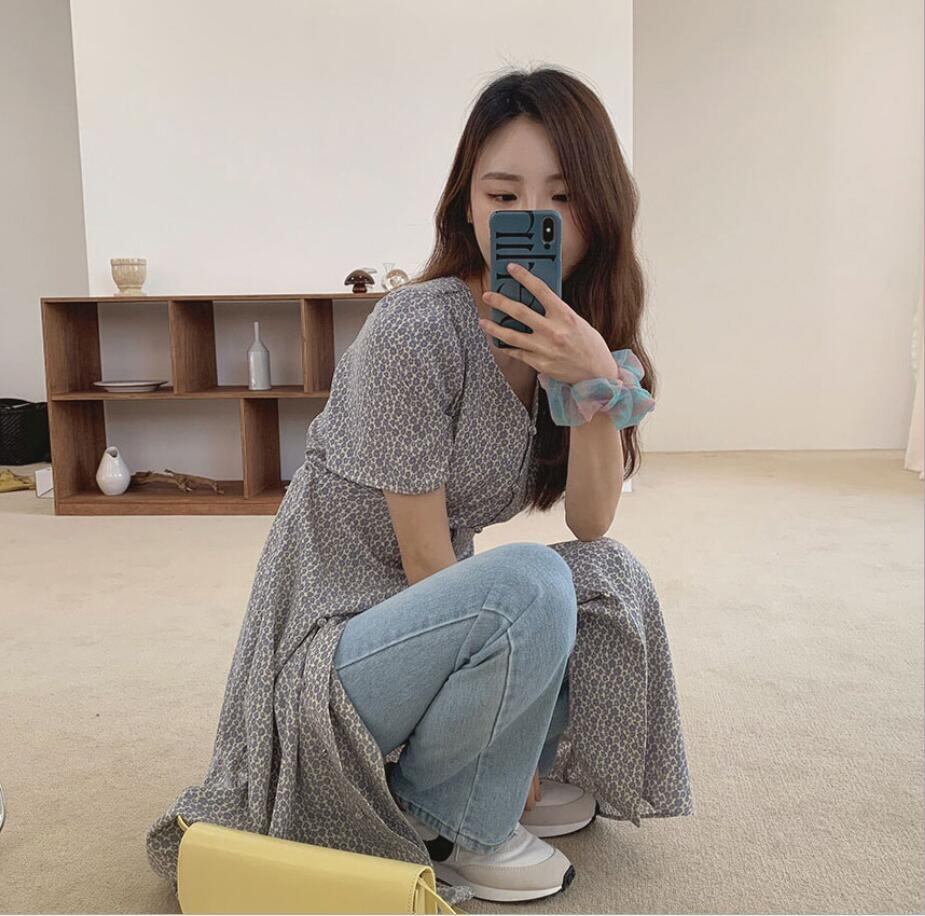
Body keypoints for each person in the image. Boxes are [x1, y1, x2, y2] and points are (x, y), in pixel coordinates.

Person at [145, 64, 694, 909]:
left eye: (560, 197)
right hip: (332, 647)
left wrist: (590, 381)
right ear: (465, 207)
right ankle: (452, 820)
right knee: (529, 581)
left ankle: (473, 780)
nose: (530, 220)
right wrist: (495, 752)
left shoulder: (576, 341)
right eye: (502, 195)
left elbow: (590, 522)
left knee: (604, 577)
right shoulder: (416, 329)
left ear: (600, 208)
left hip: (421, 634)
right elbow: (426, 565)